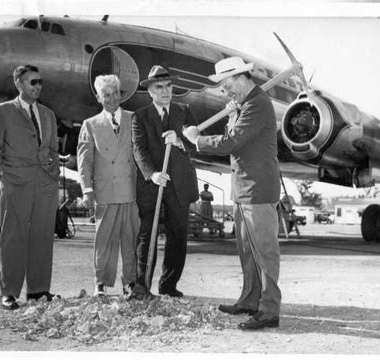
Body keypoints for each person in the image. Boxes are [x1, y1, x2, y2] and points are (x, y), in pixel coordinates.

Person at [183, 56, 281, 330]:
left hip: (258, 190)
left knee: (265, 253)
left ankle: (270, 309)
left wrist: (196, 140)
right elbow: (239, 139)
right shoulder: (244, 105)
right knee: (248, 253)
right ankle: (250, 300)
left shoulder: (258, 105)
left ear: (240, 78)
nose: (225, 92)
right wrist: (234, 110)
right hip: (243, 191)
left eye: (226, 86)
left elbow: (232, 142)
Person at [0, 64, 60, 310]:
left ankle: (38, 290)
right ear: (18, 83)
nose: (38, 86)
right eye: (33, 82)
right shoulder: (2, 112)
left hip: (45, 183)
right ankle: (8, 292)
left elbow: (52, 149)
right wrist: (2, 176)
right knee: (13, 237)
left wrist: (54, 173)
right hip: (15, 182)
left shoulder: (49, 114)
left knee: (42, 236)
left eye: (40, 82)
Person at [132, 65, 199, 297]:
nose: (165, 91)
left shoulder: (185, 111)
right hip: (153, 186)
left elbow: (195, 142)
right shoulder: (139, 117)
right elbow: (139, 149)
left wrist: (180, 140)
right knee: (146, 235)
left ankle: (169, 286)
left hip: (180, 186)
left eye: (169, 86)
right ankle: (142, 286)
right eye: (159, 87)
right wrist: (152, 174)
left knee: (178, 237)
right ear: (150, 91)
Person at [77, 74, 139, 299]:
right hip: (105, 193)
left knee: (130, 241)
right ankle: (100, 284)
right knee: (103, 242)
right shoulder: (90, 125)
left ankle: (130, 282)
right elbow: (85, 160)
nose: (112, 99)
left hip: (131, 193)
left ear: (120, 95)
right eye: (106, 95)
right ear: (98, 97)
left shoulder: (135, 119)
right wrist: (87, 189)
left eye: (115, 94)